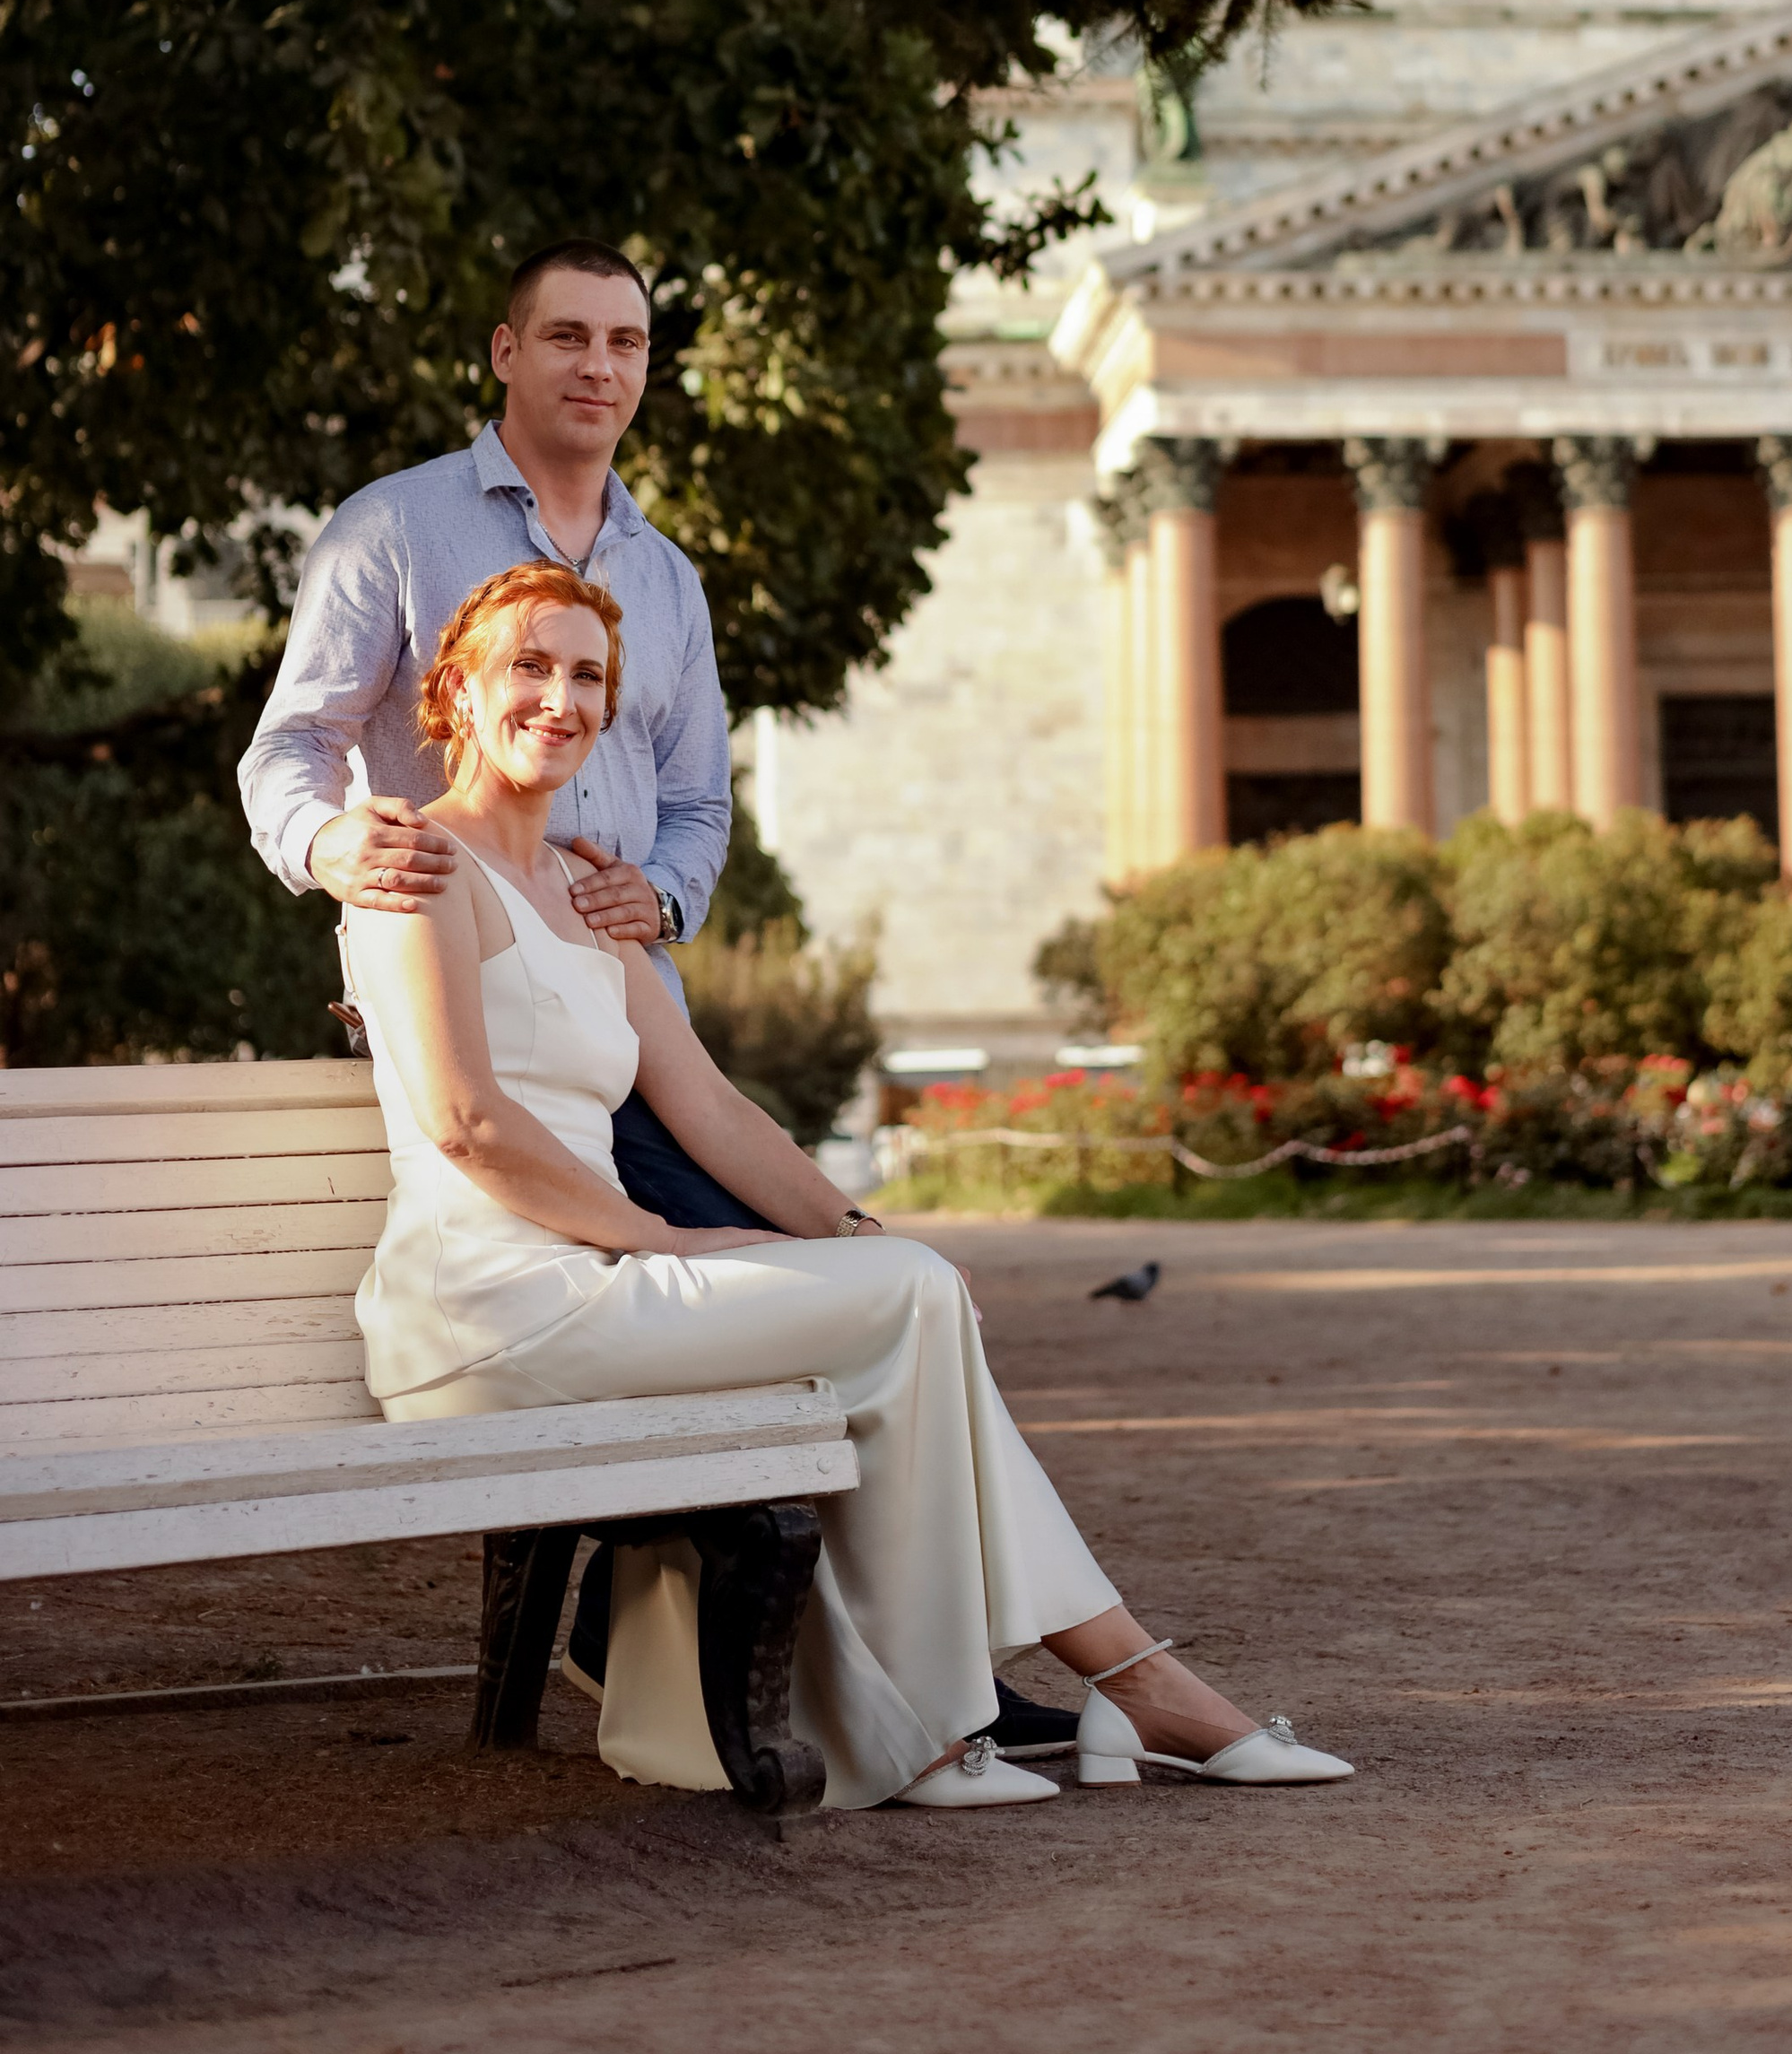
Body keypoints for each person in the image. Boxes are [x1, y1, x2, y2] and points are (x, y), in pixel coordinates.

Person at [339, 556, 1353, 1808]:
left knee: (913, 1293)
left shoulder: (587, 889)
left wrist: (857, 1228)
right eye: (529, 667)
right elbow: (467, 1123)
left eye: (588, 676)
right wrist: (664, 1239)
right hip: (488, 1311)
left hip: (592, 1290)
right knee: (909, 1304)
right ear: (456, 690)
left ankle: (981, 1720)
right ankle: (1108, 1695)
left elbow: (711, 1109)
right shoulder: (414, 868)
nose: (561, 698)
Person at [239, 237, 1074, 1751]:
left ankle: (860, 1672)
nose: (597, 366)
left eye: (625, 342)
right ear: (507, 353)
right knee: (806, 1299)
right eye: (566, 336)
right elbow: (289, 749)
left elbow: (697, 807)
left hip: (619, 998)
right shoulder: (394, 528)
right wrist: (332, 845)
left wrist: (660, 898)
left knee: (843, 1279)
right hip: (471, 992)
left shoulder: (666, 577)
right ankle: (964, 1683)